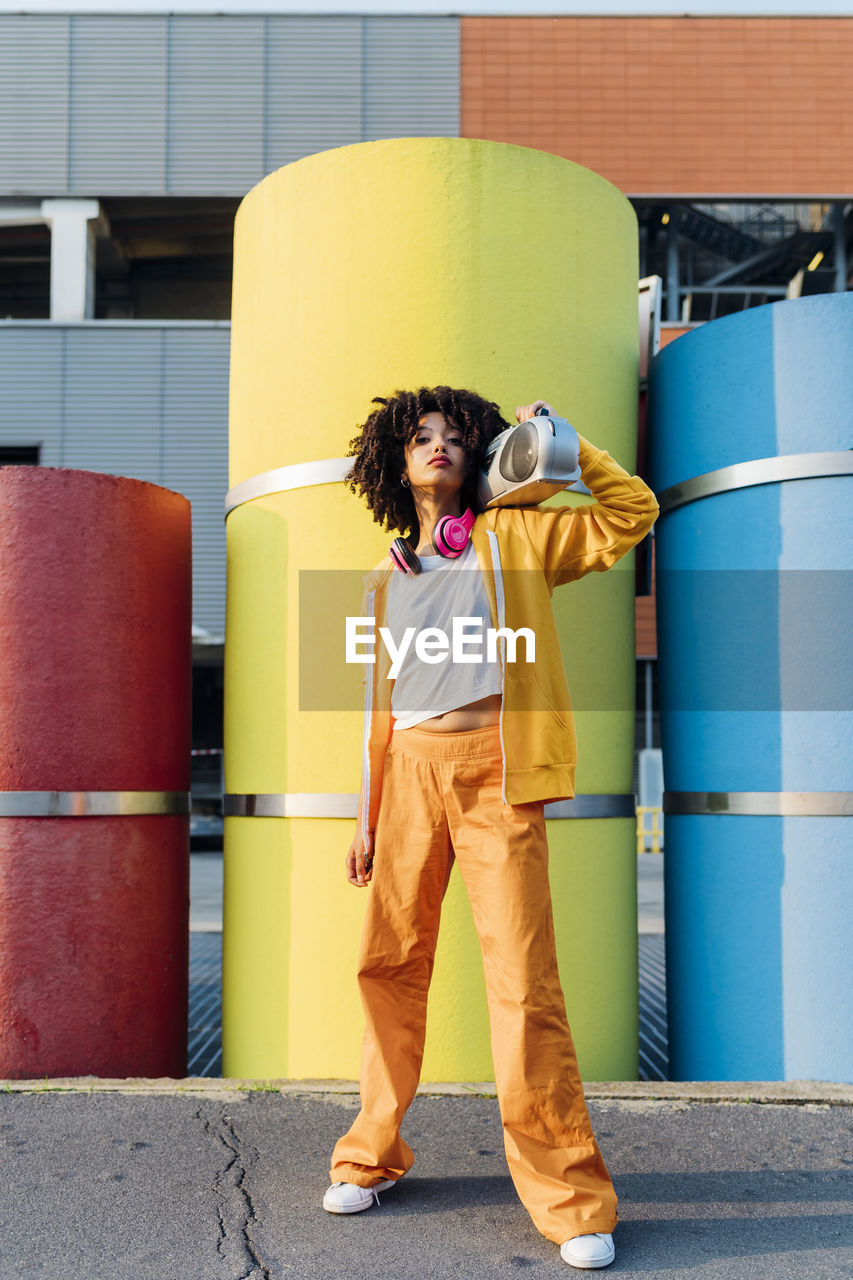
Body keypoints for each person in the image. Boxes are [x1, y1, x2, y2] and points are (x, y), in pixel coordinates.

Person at [323, 386, 659, 1270]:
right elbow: (377, 712)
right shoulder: (383, 581)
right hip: (405, 785)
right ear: (395, 462)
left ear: (478, 456)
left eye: (456, 437)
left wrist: (563, 444)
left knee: (522, 984)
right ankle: (370, 1154)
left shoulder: (518, 539)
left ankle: (571, 1201)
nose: (437, 446)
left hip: (494, 779)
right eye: (419, 437)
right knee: (387, 965)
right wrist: (366, 814)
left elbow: (632, 511)